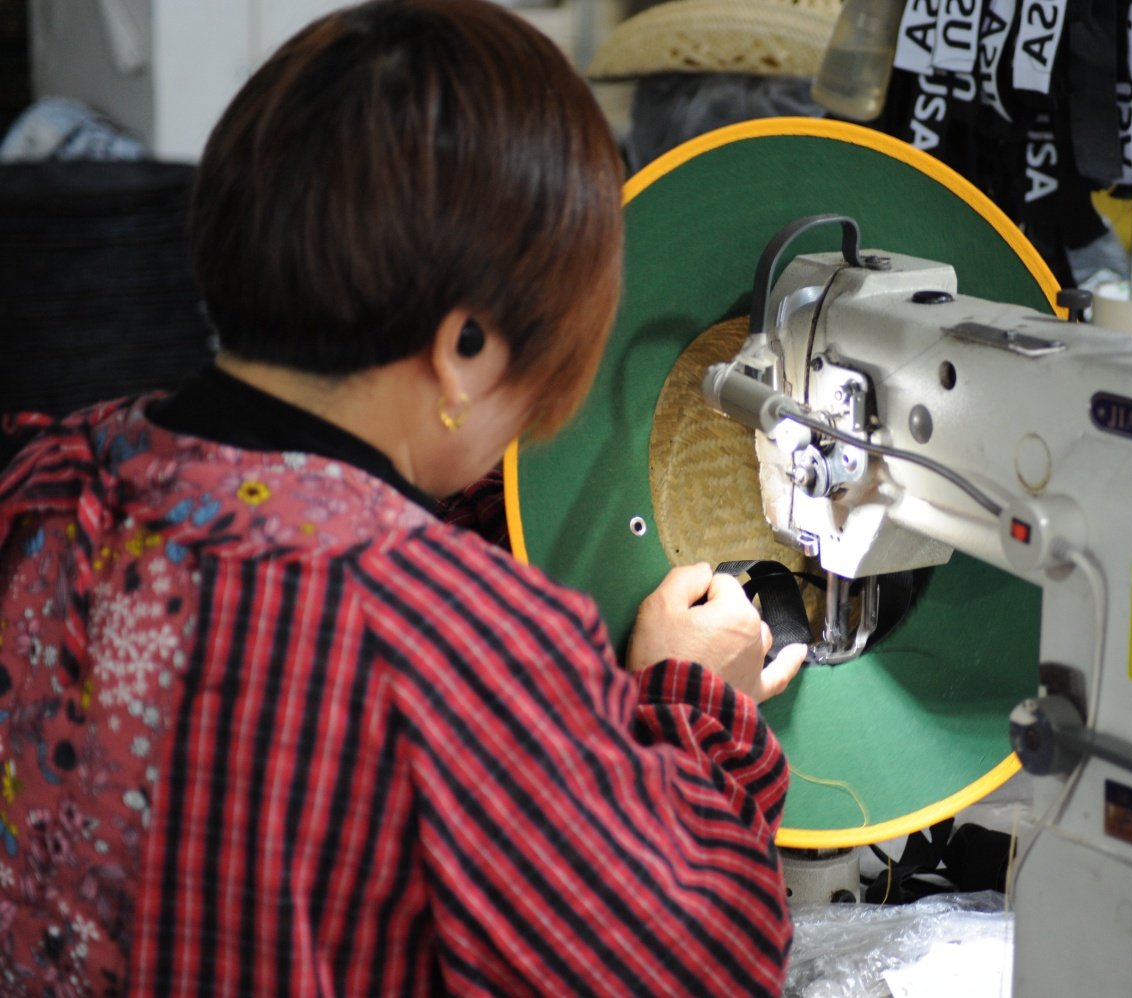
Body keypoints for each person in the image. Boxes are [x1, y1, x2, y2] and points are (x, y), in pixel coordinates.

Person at [0, 0, 806, 992]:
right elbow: (702, 963)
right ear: (464, 346)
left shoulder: (43, 483)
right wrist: (697, 703)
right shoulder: (441, 635)